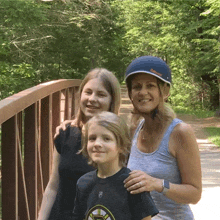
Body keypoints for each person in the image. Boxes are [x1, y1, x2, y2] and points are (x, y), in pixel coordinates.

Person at [123, 56, 202, 219]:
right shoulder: (134, 130)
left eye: (150, 86)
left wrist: (157, 184)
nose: (142, 92)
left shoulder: (180, 132)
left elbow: (194, 194)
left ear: (165, 92)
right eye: (137, 86)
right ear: (130, 93)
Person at [38, 68, 121, 220]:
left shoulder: (120, 139)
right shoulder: (65, 133)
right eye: (88, 92)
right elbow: (53, 185)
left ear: (112, 100)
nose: (92, 99)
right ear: (80, 94)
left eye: (101, 94)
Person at [72, 111, 159, 220]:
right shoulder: (83, 183)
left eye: (106, 138)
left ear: (121, 146)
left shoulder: (132, 183)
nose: (97, 144)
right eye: (92, 138)